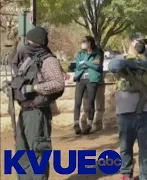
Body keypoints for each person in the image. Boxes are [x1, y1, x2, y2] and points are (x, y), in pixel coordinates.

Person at [11, 27, 65, 180]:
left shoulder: (48, 60)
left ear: (37, 42)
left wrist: (35, 88)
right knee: (22, 153)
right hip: (25, 112)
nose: (26, 44)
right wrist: (10, 86)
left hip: (38, 113)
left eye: (29, 42)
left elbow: (58, 83)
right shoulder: (29, 60)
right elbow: (21, 80)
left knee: (38, 152)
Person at [108, 33, 147, 180]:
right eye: (139, 42)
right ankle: (126, 173)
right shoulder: (121, 59)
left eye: (144, 42)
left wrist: (137, 63)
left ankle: (146, 175)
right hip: (125, 111)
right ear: (131, 42)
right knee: (125, 146)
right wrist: (133, 62)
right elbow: (113, 66)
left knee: (146, 147)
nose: (142, 45)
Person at [73, 36, 103, 135]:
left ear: (90, 42)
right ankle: (76, 124)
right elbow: (78, 65)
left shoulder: (97, 52)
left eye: (84, 41)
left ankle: (89, 124)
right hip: (80, 79)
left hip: (92, 79)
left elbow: (98, 66)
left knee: (91, 102)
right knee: (77, 102)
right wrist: (90, 63)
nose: (82, 43)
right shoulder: (80, 53)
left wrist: (85, 63)